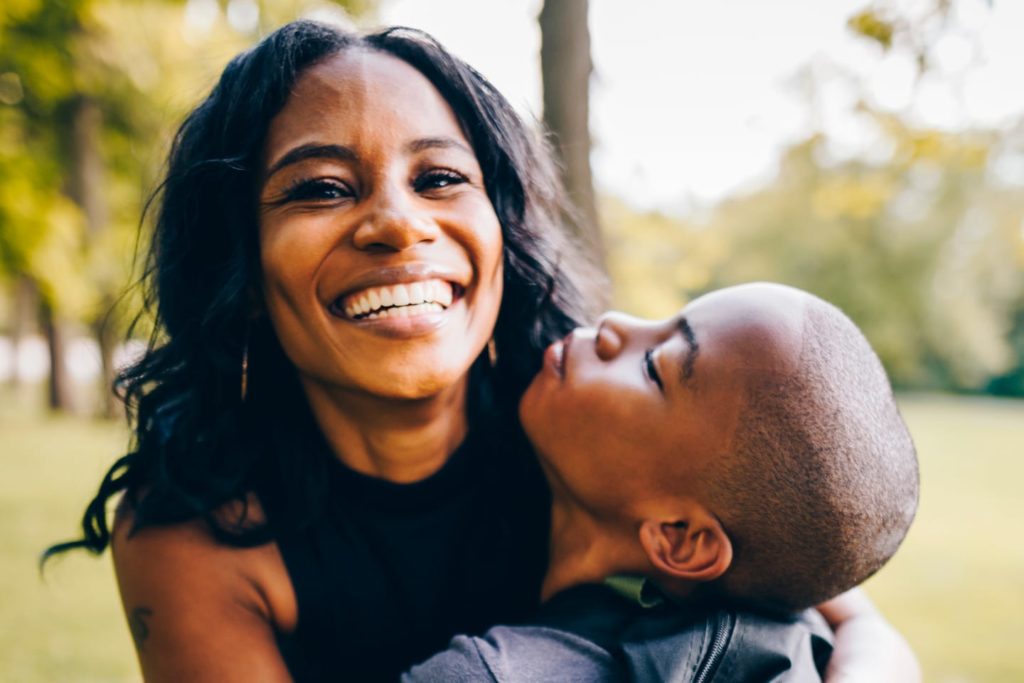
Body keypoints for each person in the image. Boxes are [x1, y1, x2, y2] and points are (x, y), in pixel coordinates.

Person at [44, 20, 918, 683]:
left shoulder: (585, 415)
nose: (396, 223)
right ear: (239, 260)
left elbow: (856, 615)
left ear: (498, 225)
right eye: (319, 188)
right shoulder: (197, 530)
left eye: (439, 177)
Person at [404, 283, 919, 682]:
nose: (612, 325)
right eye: (660, 322)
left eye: (654, 367)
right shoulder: (783, 601)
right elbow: (853, 609)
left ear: (679, 537)